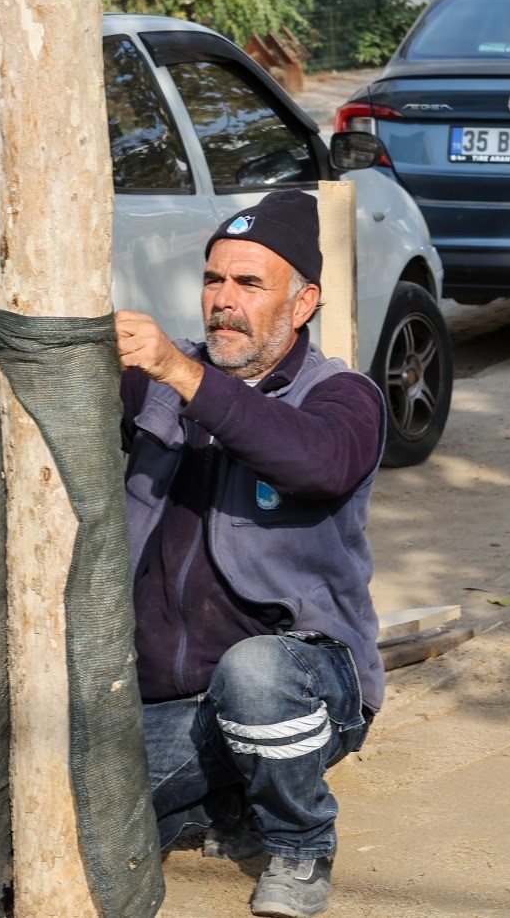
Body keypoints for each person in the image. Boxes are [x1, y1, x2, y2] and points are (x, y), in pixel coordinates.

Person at [114, 188, 386, 918]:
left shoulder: (343, 397)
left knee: (256, 672)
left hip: (302, 685)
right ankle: (221, 794)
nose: (222, 301)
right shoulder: (153, 388)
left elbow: (315, 463)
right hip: (168, 698)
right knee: (73, 808)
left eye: (248, 284)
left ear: (301, 305)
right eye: (212, 280)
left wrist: (184, 375)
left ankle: (299, 843)